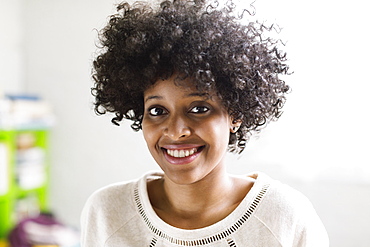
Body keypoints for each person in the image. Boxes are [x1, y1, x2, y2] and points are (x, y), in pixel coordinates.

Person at [81, 0, 329, 246]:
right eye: (157, 110)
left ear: (235, 114)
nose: (177, 131)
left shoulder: (285, 217)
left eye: (199, 109)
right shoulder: (106, 213)